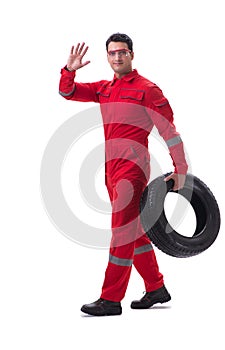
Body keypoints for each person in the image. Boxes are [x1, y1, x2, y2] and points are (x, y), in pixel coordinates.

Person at [59, 33, 188, 316]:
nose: (117, 57)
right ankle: (155, 287)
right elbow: (68, 93)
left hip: (132, 170)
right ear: (108, 57)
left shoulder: (147, 89)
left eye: (123, 52)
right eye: (112, 53)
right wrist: (69, 70)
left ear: (132, 55)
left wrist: (181, 171)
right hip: (110, 171)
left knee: (121, 233)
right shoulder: (105, 88)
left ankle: (110, 299)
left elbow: (169, 131)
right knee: (135, 231)